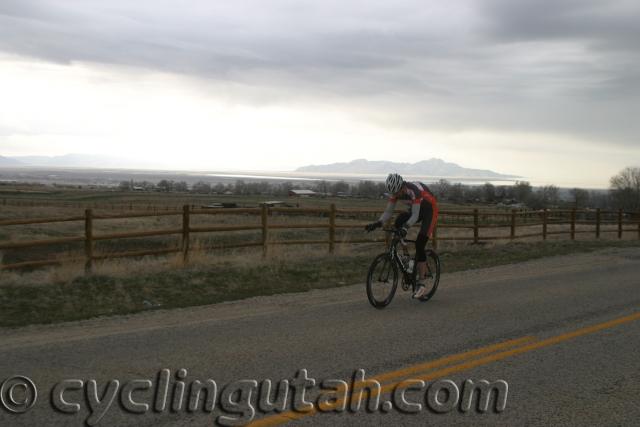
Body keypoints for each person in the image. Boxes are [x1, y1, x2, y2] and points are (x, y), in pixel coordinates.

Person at [365, 173, 439, 298]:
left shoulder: (413, 191)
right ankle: (406, 257)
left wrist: (406, 228)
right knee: (398, 222)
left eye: (397, 192)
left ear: (402, 187)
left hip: (429, 211)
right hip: (417, 209)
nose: (395, 195)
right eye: (393, 193)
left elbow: (415, 216)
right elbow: (388, 212)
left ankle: (421, 284)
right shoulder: (395, 192)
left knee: (420, 244)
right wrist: (378, 223)